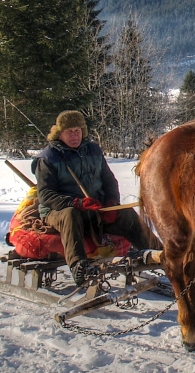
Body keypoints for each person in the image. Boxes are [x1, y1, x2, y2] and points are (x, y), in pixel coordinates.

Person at [31, 110, 151, 284]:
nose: (74, 135)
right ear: (60, 134)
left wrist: (111, 202)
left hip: (94, 208)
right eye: (69, 132)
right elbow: (45, 195)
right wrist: (76, 202)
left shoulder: (93, 150)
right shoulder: (48, 158)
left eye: (78, 131)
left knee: (126, 213)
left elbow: (109, 181)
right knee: (70, 214)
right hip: (59, 211)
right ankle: (79, 267)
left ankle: (162, 254)